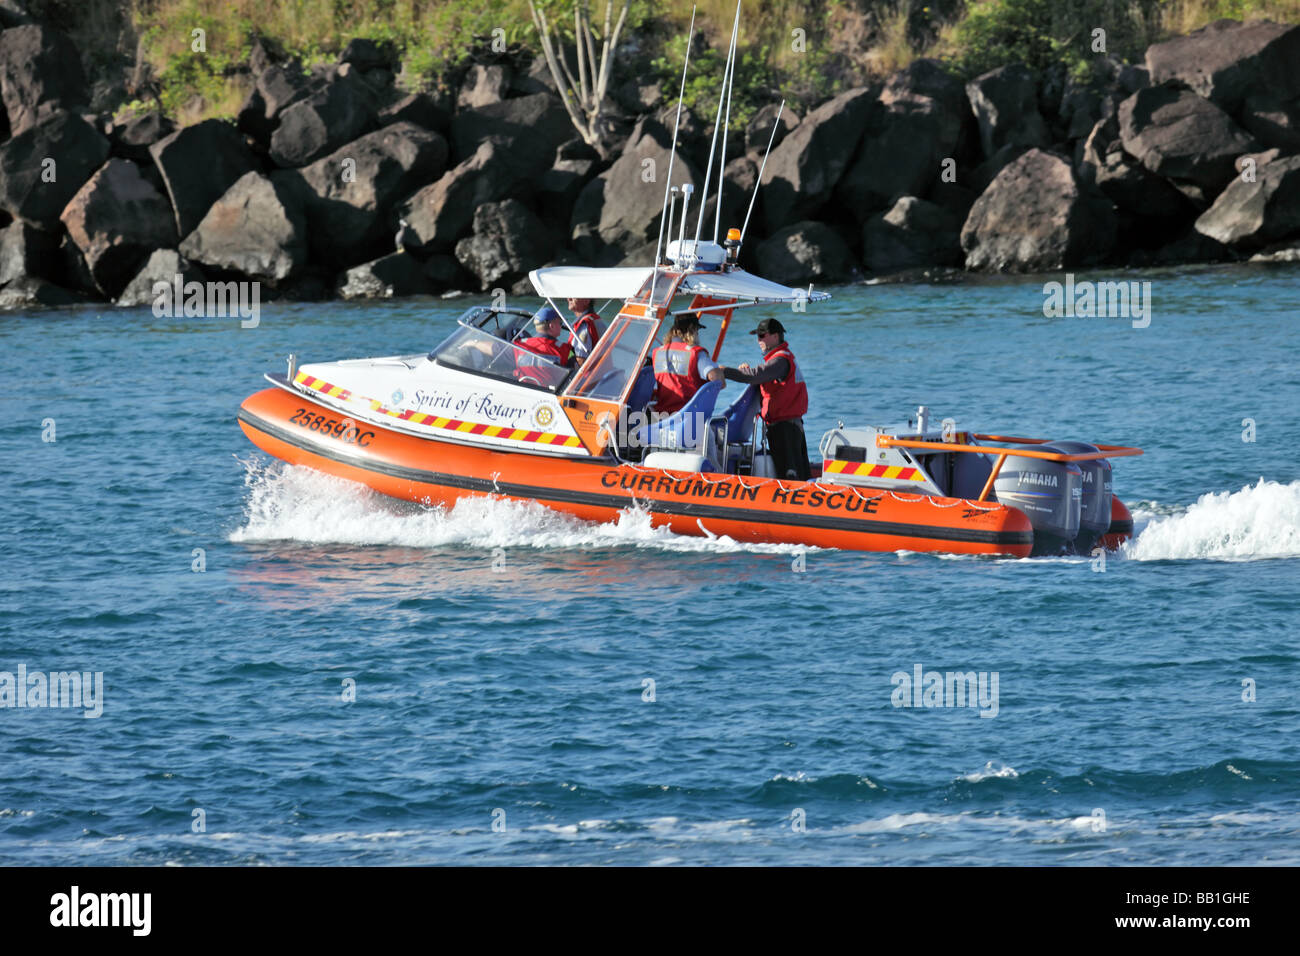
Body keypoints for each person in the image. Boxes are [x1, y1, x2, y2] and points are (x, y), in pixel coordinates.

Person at [721, 317, 810, 480]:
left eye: (762, 336)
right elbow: (760, 376)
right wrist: (746, 373)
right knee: (795, 471)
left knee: (791, 476)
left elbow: (757, 375)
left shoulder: (780, 360)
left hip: (786, 428)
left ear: (776, 336)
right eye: (757, 336)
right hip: (786, 426)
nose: (758, 340)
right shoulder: (781, 359)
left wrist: (724, 371)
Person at [651, 315, 724, 416]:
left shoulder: (657, 352)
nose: (698, 334)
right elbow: (715, 378)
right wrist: (721, 372)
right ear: (692, 329)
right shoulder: (695, 353)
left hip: (661, 415)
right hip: (688, 417)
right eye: (697, 331)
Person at [515, 306, 575, 385]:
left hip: (523, 389)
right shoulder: (565, 350)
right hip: (550, 393)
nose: (561, 326)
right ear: (551, 326)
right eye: (560, 323)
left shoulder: (518, 345)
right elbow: (574, 375)